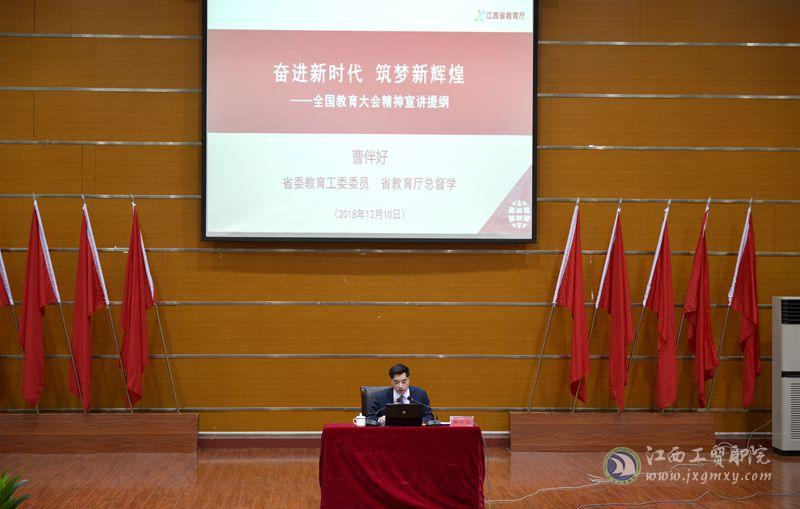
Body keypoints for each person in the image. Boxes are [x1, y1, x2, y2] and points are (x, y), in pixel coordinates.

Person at [368, 364, 434, 425]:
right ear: (391, 381)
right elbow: (370, 417)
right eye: (396, 382)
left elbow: (429, 416)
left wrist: (420, 421)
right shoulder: (381, 396)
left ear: (409, 379)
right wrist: (379, 420)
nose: (400, 386)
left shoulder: (420, 394)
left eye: (404, 382)